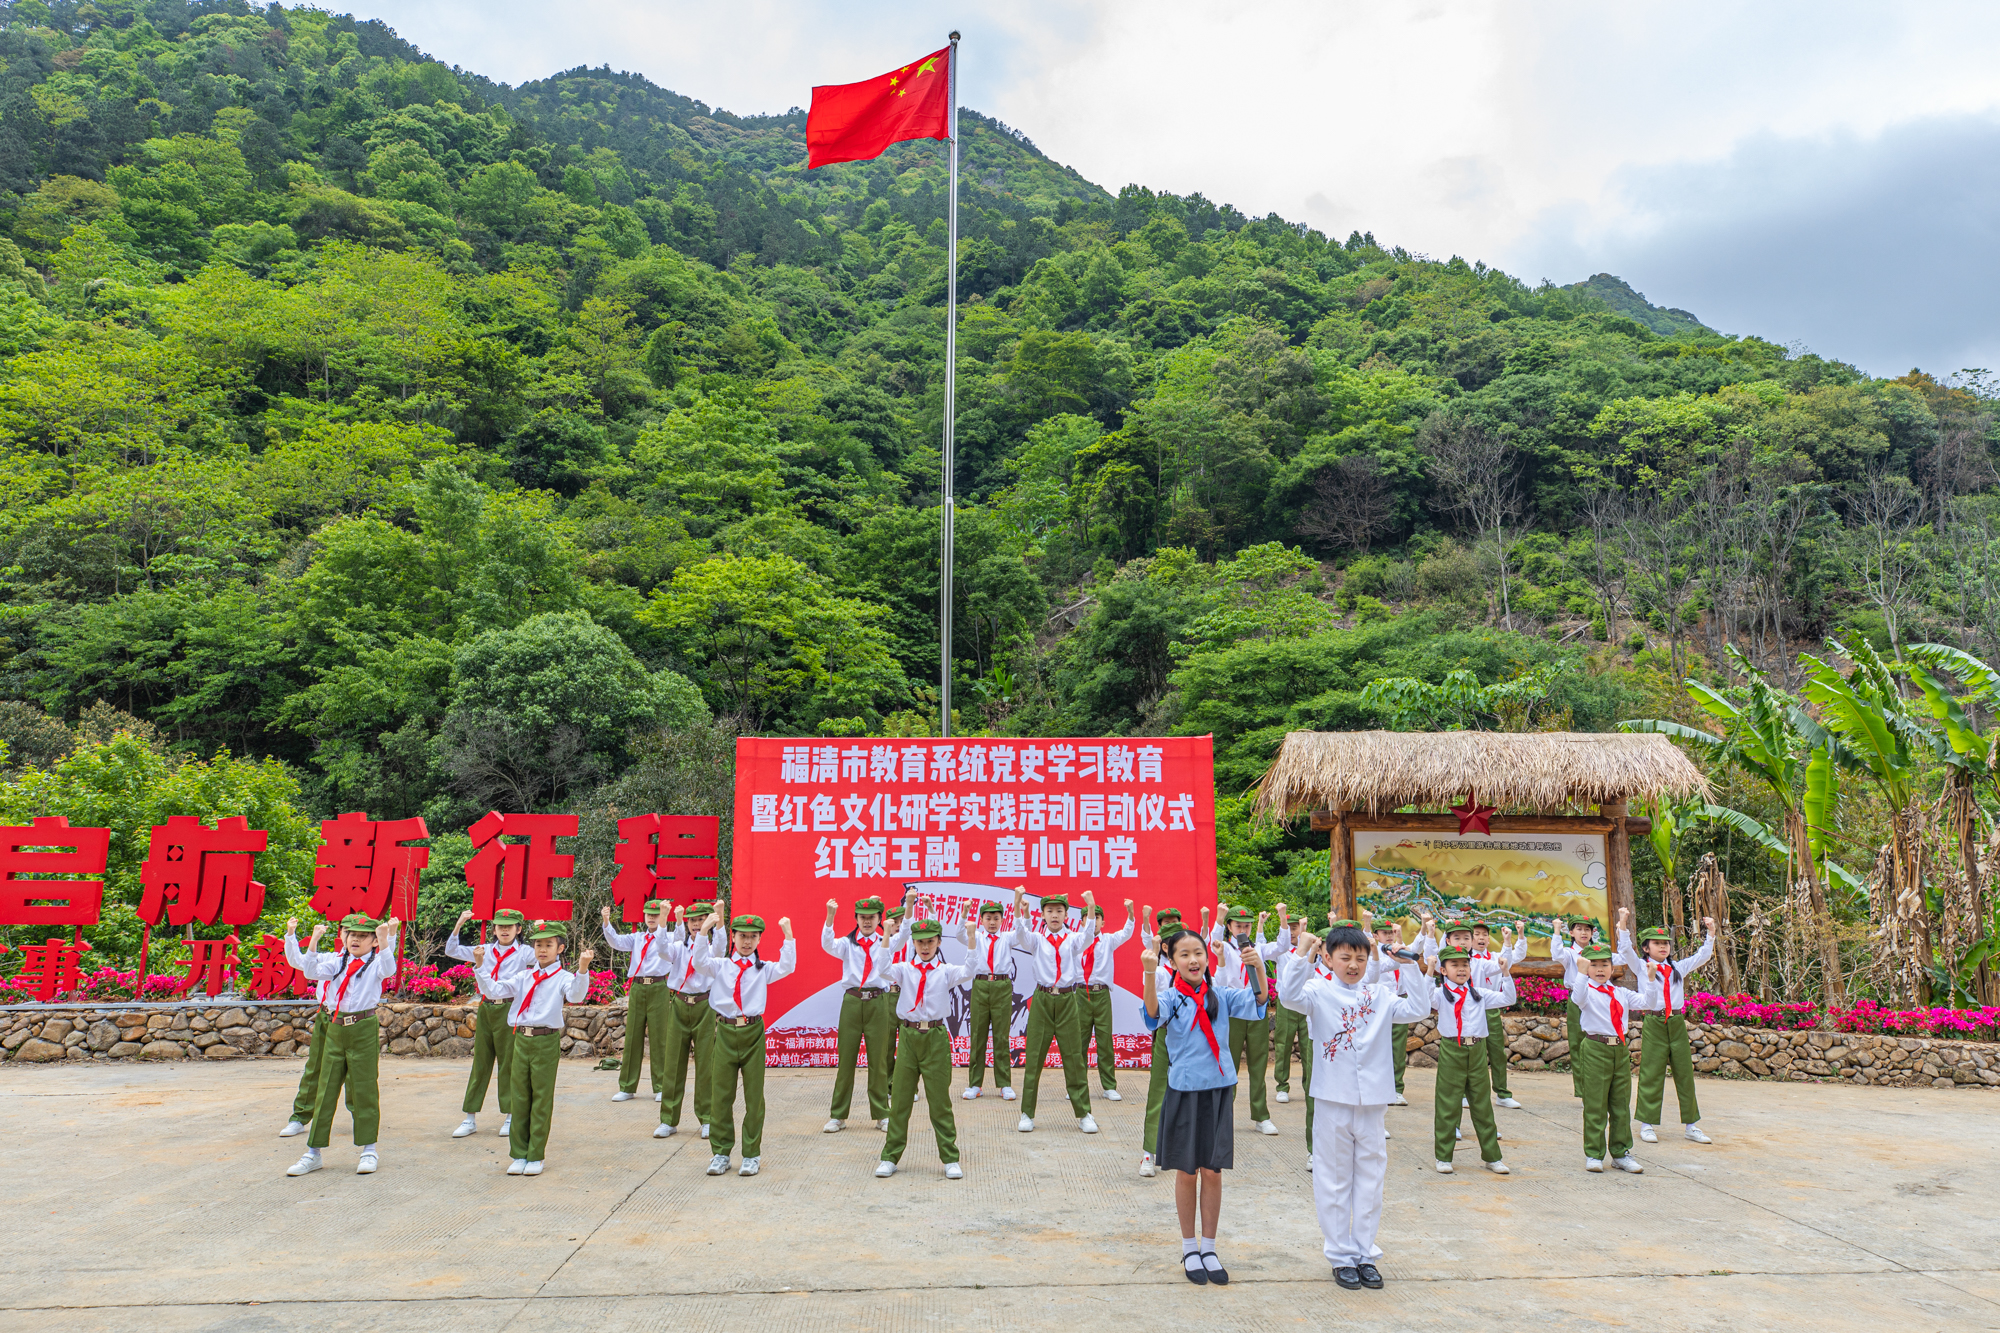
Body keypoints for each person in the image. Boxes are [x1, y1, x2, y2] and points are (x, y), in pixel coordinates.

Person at [1279, 919, 1433, 1291]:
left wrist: (1410, 965)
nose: (1353, 965)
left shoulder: (1379, 995)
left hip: (1372, 1103)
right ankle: (1340, 1255)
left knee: (1370, 1179)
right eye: (1345, 957)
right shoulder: (1316, 991)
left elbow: (1418, 1009)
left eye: (1360, 959)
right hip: (1333, 1099)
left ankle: (1365, 1254)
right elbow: (1287, 997)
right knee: (1333, 1180)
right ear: (1329, 958)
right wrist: (1301, 953)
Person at [1144, 920, 1269, 1285]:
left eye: (1198, 952)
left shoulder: (1223, 995)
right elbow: (1152, 1015)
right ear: (1172, 959)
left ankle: (1210, 1247)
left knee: (1212, 1170)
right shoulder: (1171, 997)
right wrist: (1150, 974)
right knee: (1187, 1170)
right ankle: (1188, 1248)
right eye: (1184, 954)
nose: (1193, 959)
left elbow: (1259, 1000)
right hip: (1183, 1092)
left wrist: (1255, 965)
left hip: (1218, 1092)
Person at [285, 913, 401, 1178]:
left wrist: (386, 938)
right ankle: (313, 1153)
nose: (355, 939)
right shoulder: (336, 960)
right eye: (352, 935)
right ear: (344, 937)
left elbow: (389, 968)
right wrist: (313, 940)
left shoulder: (375, 964)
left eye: (362, 936)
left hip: (363, 1027)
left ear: (373, 941)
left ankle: (369, 1150)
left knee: (364, 1088)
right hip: (336, 1026)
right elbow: (311, 970)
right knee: (326, 1087)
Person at [687, 908, 797, 1177]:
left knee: (753, 1096)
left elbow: (788, 966)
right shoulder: (721, 965)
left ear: (759, 940)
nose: (747, 942)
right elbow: (699, 961)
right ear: (733, 937)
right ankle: (721, 1153)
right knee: (721, 1095)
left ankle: (751, 1154)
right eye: (742, 936)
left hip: (752, 1032)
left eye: (753, 937)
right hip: (725, 1031)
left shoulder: (763, 969)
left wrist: (788, 935)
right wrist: (704, 931)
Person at [480, 923, 593, 1176]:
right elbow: (494, 990)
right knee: (519, 1095)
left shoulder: (563, 977)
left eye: (549, 945)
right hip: (520, 1038)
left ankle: (536, 1154)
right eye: (539, 945)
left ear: (560, 948)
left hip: (544, 1040)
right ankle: (518, 1153)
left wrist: (583, 969)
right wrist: (480, 967)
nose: (542, 950)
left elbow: (575, 996)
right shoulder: (524, 976)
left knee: (540, 1098)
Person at [875, 909, 976, 1178]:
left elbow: (971, 969)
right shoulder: (904, 970)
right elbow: (881, 968)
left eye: (930, 941)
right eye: (920, 941)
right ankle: (890, 1157)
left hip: (935, 1039)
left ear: (939, 942)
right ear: (913, 943)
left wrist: (972, 937)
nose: (925, 946)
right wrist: (886, 934)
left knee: (940, 1101)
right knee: (900, 1101)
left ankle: (950, 1158)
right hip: (908, 1038)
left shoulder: (945, 972)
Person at [1616, 909, 1718, 1144]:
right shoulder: (1641, 967)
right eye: (1657, 943)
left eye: (1666, 943)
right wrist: (1623, 921)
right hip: (1654, 1021)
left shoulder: (1677, 969)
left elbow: (1702, 957)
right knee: (1651, 1072)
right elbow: (1625, 950)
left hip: (1676, 1022)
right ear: (1646, 948)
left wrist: (1710, 933)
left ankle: (1691, 1125)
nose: (1663, 947)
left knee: (1684, 1073)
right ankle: (1647, 1123)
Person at [1011, 887, 1099, 1134]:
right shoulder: (1036, 940)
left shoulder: (1073, 939)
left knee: (1074, 1058)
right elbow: (1020, 932)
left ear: (1066, 915)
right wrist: (1017, 902)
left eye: (1059, 911)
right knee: (1035, 1056)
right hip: (1042, 1000)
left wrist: (1090, 907)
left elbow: (1089, 936)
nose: (1054, 915)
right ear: (1043, 915)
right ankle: (1027, 1113)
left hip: (1068, 1000)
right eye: (1049, 911)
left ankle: (1084, 1114)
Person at [1572, 941, 1664, 1173]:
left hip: (1619, 1049)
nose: (1600, 969)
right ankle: (1594, 1154)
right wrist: (1581, 973)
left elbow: (1648, 1003)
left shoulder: (1620, 992)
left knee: (1621, 1103)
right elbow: (1577, 998)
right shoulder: (1585, 991)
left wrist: (1652, 981)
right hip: (1595, 1048)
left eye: (1605, 964)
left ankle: (1621, 1153)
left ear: (1612, 969)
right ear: (1587, 968)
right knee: (1595, 1102)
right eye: (1594, 965)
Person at [1423, 945, 1514, 1175]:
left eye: (1465, 964)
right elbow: (1423, 1001)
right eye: (1454, 965)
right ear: (1444, 970)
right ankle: (1443, 1156)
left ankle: (1493, 1157)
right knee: (1448, 1104)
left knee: (1482, 1104)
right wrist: (1429, 971)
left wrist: (1505, 973)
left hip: (1477, 1051)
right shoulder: (1440, 994)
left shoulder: (1479, 993)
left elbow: (1508, 997)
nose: (1461, 969)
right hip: (1453, 1049)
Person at [443, 907, 530, 1139]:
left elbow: (551, 959)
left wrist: (544, 931)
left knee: (508, 1062)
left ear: (518, 929)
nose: (504, 930)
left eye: (509, 926)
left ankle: (510, 1115)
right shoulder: (485, 950)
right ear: (493, 929)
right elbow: (451, 949)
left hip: (510, 1009)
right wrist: (459, 923)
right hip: (486, 1007)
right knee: (480, 1062)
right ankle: (470, 1118)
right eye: (500, 926)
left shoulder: (525, 953)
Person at [820, 895, 900, 1133]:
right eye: (863, 918)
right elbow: (827, 944)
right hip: (853, 1002)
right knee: (846, 1060)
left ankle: (882, 1115)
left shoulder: (886, 942)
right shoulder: (847, 943)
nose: (867, 922)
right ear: (856, 919)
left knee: (878, 1060)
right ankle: (838, 1115)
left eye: (871, 918)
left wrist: (908, 907)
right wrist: (830, 917)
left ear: (879, 920)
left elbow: (904, 932)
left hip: (878, 1001)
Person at [1207, 905, 1278, 1136]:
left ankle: (1261, 1116)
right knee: (1229, 1065)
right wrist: (1218, 917)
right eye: (1238, 925)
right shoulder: (1226, 948)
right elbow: (1214, 941)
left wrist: (1275, 920)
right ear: (1230, 927)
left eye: (1246, 925)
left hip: (1256, 1008)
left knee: (1259, 1064)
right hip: (1232, 1011)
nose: (1243, 930)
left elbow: (1284, 946)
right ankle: (1222, 1115)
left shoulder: (1258, 948)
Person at [278, 918, 347, 1140]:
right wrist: (291, 934)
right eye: (347, 932)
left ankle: (363, 1119)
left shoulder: (370, 962)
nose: (353, 938)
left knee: (357, 1074)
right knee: (315, 1067)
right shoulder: (329, 959)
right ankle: (299, 1118)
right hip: (327, 1017)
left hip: (355, 1021)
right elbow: (299, 961)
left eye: (360, 934)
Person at [601, 900, 672, 1104]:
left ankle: (660, 1086)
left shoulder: (669, 937)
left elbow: (683, 939)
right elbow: (615, 941)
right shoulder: (637, 937)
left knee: (660, 1038)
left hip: (659, 986)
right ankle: (627, 1087)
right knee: (632, 1036)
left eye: (656, 914)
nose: (651, 917)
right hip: (638, 987)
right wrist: (607, 921)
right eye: (648, 914)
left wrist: (669, 919)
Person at [661, 899, 720, 1140]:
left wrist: (718, 920)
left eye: (701, 920)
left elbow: (720, 947)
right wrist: (664, 920)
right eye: (693, 921)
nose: (696, 924)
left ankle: (706, 1118)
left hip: (704, 1005)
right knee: (673, 1063)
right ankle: (668, 1119)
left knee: (706, 1064)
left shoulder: (713, 946)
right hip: (679, 1004)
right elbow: (662, 950)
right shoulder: (678, 946)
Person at [1078, 898, 1138, 1102]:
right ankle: (1076, 1086)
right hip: (1080, 994)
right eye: (1088, 917)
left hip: (1101, 994)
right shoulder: (1076, 941)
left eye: (1097, 918)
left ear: (1103, 923)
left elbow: (1127, 932)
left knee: (1104, 1042)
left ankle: (1109, 1086)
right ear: (1082, 922)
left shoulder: (1110, 940)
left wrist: (1130, 912)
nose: (1093, 921)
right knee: (1079, 1042)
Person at [1466, 918, 1527, 1108]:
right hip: (1470, 1008)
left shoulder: (1493, 957)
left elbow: (1512, 958)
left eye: (1485, 934)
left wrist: (1511, 939)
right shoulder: (1463, 959)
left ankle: (1502, 1093)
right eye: (1477, 934)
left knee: (1497, 1052)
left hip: (1491, 1008)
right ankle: (1464, 1093)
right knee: (1471, 1053)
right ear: (1469, 938)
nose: (1481, 938)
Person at [961, 899, 1017, 1102]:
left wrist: (1018, 904)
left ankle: (1004, 1084)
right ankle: (975, 1084)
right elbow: (960, 934)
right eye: (988, 918)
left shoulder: (1008, 938)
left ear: (1002, 919)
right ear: (981, 920)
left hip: (1002, 986)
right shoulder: (975, 936)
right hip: (981, 985)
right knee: (977, 1035)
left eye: (996, 918)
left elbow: (1022, 932)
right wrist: (964, 913)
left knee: (1001, 1037)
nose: (992, 922)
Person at [1139, 905, 1179, 1177]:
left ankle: (1184, 1149)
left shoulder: (1198, 968)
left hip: (1196, 1038)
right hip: (1168, 1035)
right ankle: (1148, 1153)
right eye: (1173, 945)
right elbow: (1152, 1008)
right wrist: (1151, 968)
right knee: (1158, 1095)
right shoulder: (1161, 972)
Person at [1363, 916, 1416, 1107]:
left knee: (1398, 1048)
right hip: (1377, 1004)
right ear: (1376, 936)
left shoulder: (1399, 952)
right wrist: (1367, 926)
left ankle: (1397, 1089)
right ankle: (1377, 1089)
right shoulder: (1370, 956)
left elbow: (1411, 951)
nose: (1389, 936)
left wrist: (1401, 939)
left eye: (1391, 933)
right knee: (1376, 1048)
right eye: (1385, 933)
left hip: (1398, 1001)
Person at [1547, 913, 1600, 1099]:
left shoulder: (1598, 952)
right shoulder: (1569, 953)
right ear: (1571, 932)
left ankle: (1598, 1089)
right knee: (1577, 1045)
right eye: (1579, 929)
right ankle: (1584, 1091)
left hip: (1596, 999)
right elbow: (1556, 954)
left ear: (1592, 932)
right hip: (1577, 1001)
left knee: (1597, 1043)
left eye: (1587, 929)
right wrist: (1556, 930)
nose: (1584, 933)